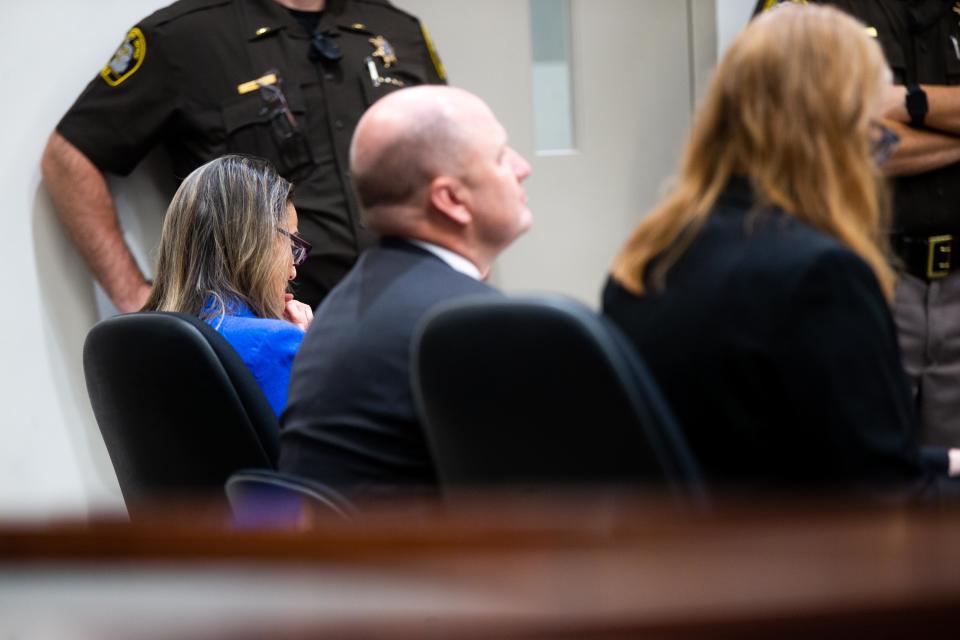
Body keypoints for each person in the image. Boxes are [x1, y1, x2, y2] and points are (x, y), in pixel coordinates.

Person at [602, 3, 959, 492]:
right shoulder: (822, 278)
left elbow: (813, 449)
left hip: (710, 547)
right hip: (805, 554)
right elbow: (886, 499)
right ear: (827, 136)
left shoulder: (652, 255)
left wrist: (945, 462)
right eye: (874, 138)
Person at [41, 0, 446, 313]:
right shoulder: (185, 37)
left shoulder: (397, 32)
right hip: (275, 332)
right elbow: (68, 157)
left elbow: (454, 155)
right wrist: (135, 296)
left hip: (413, 313)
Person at [279, 85, 532, 493]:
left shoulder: (347, 304)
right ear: (452, 199)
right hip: (417, 554)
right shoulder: (463, 321)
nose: (523, 168)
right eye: (502, 157)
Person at [752, 2, 960, 449]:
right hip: (863, 281)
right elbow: (831, 144)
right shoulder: (807, 10)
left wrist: (907, 102)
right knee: (863, 482)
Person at [143, 155, 313, 417]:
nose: (292, 270)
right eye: (291, 244)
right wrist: (309, 356)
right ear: (254, 241)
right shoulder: (273, 343)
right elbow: (330, 455)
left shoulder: (147, 345)